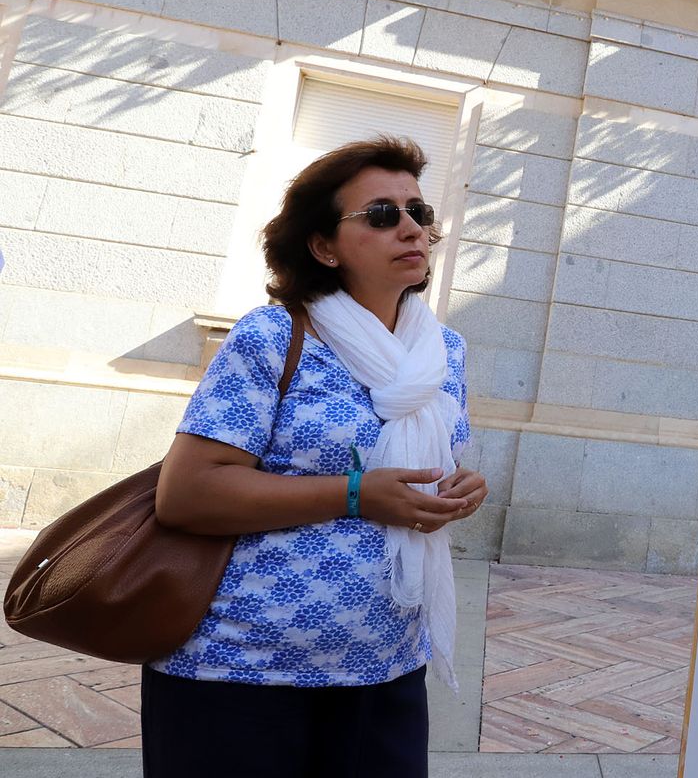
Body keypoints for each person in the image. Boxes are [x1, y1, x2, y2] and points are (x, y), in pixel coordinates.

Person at [145, 136, 488, 778]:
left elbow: (431, 465)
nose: (411, 227)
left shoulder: (443, 352)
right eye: (382, 215)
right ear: (324, 246)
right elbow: (187, 494)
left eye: (419, 212)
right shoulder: (274, 335)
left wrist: (459, 488)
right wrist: (357, 493)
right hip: (240, 670)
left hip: (384, 665)